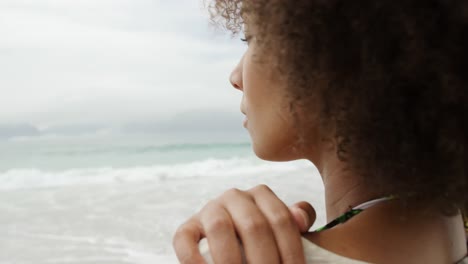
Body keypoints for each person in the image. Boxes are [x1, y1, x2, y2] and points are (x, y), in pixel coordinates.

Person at [173, 0, 468, 263]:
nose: (235, 76)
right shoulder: (454, 224)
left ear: (331, 57)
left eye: (249, 37)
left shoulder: (239, 257)